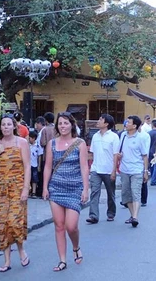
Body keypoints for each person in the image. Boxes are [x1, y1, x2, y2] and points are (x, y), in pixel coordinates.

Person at [42, 112, 89, 272]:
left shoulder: (80, 143)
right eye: (60, 123)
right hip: (56, 188)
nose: (63, 126)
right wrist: (45, 187)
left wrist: (85, 188)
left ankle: (76, 247)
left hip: (75, 189)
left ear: (72, 125)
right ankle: (62, 260)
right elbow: (47, 166)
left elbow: (84, 167)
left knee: (71, 226)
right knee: (59, 225)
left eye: (66, 123)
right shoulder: (52, 144)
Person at [0, 114, 31, 273]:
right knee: (2, 223)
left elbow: (27, 166)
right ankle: (6, 260)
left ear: (14, 126)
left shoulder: (22, 143)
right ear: (0, 127)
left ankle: (21, 249)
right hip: (0, 187)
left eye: (8, 124)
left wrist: (26, 188)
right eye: (3, 125)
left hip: (18, 185)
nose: (6, 127)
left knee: (14, 221)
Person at [116, 115, 149, 228]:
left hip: (136, 169)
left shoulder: (140, 138)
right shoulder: (123, 136)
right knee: (126, 194)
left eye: (128, 122)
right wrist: (119, 156)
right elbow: (120, 150)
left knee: (136, 193)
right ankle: (132, 215)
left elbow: (145, 156)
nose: (126, 124)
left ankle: (135, 217)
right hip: (124, 169)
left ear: (134, 126)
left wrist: (145, 171)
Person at [86, 114, 119, 224]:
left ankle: (111, 213)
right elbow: (92, 153)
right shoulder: (95, 136)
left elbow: (115, 155)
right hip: (96, 169)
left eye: (101, 119)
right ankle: (93, 215)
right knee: (94, 192)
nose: (98, 121)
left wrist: (114, 171)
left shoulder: (114, 137)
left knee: (111, 193)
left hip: (109, 169)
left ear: (106, 124)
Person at [28, 130, 42, 198]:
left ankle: (34, 192)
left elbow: (39, 156)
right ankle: (28, 191)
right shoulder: (27, 145)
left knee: (34, 178)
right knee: (28, 178)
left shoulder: (38, 146)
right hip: (28, 164)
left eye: (30, 138)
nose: (28, 139)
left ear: (33, 138)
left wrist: (39, 165)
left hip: (34, 164)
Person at [148, 119, 156, 186]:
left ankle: (152, 178)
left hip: (150, 151)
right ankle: (153, 180)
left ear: (152, 125)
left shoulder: (149, 133)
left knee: (151, 165)